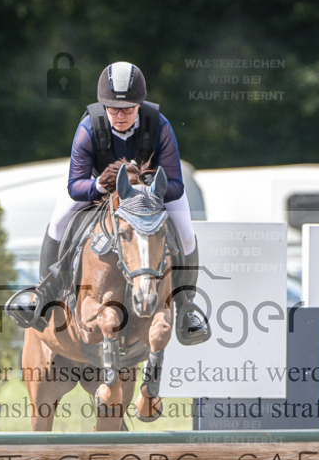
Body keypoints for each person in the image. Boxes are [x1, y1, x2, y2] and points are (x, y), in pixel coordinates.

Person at [12, 61, 210, 345]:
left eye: (128, 108)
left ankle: (186, 307)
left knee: (186, 232)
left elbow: (176, 184)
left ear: (139, 105)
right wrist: (99, 185)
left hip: (149, 196)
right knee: (58, 221)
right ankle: (42, 295)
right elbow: (75, 184)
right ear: (103, 105)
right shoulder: (88, 128)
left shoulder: (160, 126)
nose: (120, 115)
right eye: (113, 108)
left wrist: (144, 186)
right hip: (98, 189)